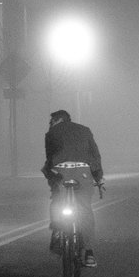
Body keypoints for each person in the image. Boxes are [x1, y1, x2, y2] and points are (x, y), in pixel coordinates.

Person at [42, 109, 103, 267]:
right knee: (85, 209)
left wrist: (52, 179)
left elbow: (50, 159)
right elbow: (95, 156)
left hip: (61, 172)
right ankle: (89, 253)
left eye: (51, 121)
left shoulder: (51, 134)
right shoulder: (85, 130)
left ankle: (57, 231)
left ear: (58, 120)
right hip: (82, 172)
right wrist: (98, 177)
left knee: (57, 200)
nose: (50, 124)